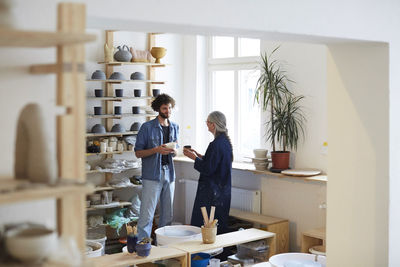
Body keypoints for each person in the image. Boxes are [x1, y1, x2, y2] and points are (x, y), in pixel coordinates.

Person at [135, 94, 179, 241]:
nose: (168, 111)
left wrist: (175, 151)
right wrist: (156, 150)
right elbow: (138, 153)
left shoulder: (174, 127)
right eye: (164, 108)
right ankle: (143, 249)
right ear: (158, 109)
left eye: (170, 108)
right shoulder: (147, 127)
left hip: (170, 173)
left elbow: (176, 149)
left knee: (168, 215)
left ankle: (164, 248)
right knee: (146, 215)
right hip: (152, 175)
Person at [183, 111, 233, 234]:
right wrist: (199, 155)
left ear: (213, 125)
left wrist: (193, 158)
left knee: (205, 225)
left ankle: (202, 252)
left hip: (212, 193)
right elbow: (214, 161)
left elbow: (208, 169)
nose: (206, 125)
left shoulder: (216, 144)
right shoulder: (224, 142)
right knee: (219, 224)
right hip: (222, 191)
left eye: (207, 122)